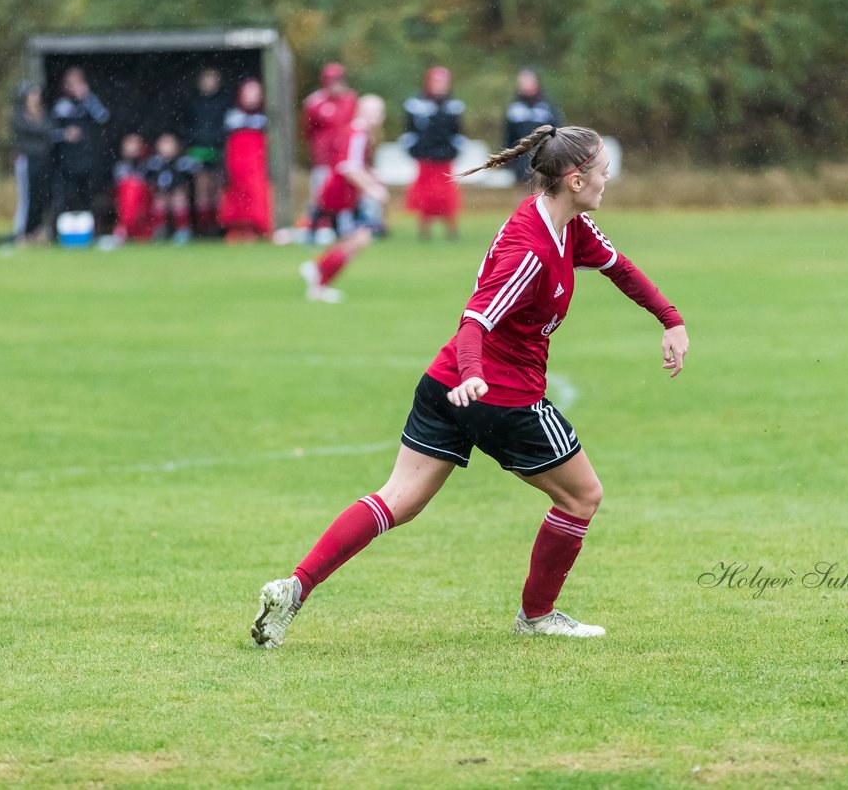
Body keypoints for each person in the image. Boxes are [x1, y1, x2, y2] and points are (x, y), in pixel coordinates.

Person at [252, 124, 689, 647]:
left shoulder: (569, 227)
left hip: (446, 384)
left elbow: (621, 269)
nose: (606, 183)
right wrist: (476, 374)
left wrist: (670, 318)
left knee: (399, 499)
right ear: (574, 180)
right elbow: (475, 321)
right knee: (582, 498)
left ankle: (292, 589)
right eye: (602, 174)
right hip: (498, 396)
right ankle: (537, 616)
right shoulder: (530, 250)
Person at [299, 94, 389, 302]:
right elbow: (349, 168)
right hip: (339, 195)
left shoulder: (360, 133)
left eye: (378, 112)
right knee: (356, 239)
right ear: (360, 111)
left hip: (346, 194)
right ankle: (318, 274)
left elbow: (354, 164)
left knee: (355, 239)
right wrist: (373, 187)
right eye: (370, 111)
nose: (375, 116)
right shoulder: (357, 133)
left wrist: (371, 176)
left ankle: (319, 277)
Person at [404, 66, 465, 240]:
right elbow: (410, 130)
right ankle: (424, 230)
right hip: (426, 157)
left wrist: (453, 150)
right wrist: (416, 149)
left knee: (446, 195)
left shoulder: (453, 106)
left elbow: (457, 132)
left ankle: (451, 229)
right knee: (426, 195)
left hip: (445, 157)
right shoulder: (416, 105)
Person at [51, 66, 110, 231]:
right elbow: (47, 133)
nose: (74, 86)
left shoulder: (90, 102)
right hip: (67, 162)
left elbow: (103, 118)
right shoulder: (60, 106)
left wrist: (87, 97)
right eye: (70, 82)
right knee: (65, 198)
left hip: (87, 161)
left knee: (89, 198)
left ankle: (91, 232)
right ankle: (61, 233)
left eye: (77, 82)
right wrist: (64, 134)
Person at [302, 63, 358, 228]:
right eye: (331, 80)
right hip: (324, 158)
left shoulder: (351, 99)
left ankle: (345, 227)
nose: (335, 84)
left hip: (345, 157)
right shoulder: (314, 102)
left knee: (345, 194)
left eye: (338, 80)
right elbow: (308, 130)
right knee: (321, 193)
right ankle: (317, 227)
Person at [218, 78, 273, 243]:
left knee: (256, 195)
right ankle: (237, 230)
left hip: (256, 166)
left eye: (255, 93)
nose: (251, 97)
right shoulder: (232, 118)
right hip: (237, 165)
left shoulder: (264, 118)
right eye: (248, 92)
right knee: (237, 196)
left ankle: (256, 229)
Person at [183, 68, 231, 232]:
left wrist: (219, 140)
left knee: (217, 188)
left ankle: (217, 224)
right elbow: (187, 124)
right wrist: (194, 139)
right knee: (201, 187)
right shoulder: (193, 103)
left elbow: (226, 125)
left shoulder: (224, 102)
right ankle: (203, 225)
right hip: (198, 148)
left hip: (217, 148)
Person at [10, 81, 57, 243]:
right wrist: (44, 132)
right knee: (26, 196)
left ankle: (36, 230)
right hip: (27, 160)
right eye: (33, 94)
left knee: (41, 195)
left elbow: (49, 130)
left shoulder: (43, 113)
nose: (36, 97)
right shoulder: (19, 115)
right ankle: (21, 231)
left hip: (41, 160)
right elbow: (40, 131)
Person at [504, 68, 562, 184]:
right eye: (521, 81)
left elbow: (557, 131)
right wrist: (507, 159)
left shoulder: (547, 106)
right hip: (520, 159)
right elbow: (508, 134)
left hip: (543, 157)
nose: (523, 84)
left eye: (527, 80)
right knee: (522, 193)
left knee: (542, 191)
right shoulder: (514, 107)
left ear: (536, 82)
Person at [143, 132, 200, 245]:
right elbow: (147, 178)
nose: (166, 147)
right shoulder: (154, 163)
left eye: (169, 143)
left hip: (178, 192)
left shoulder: (182, 162)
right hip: (160, 193)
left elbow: (193, 175)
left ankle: (183, 230)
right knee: (159, 203)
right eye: (163, 144)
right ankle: (159, 230)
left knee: (180, 201)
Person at [99, 133, 151, 248]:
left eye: (135, 143)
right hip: (122, 200)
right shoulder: (116, 165)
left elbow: (153, 185)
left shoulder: (148, 165)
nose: (132, 147)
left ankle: (122, 230)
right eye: (129, 143)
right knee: (128, 190)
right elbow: (110, 186)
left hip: (143, 200)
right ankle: (125, 229)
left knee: (132, 188)